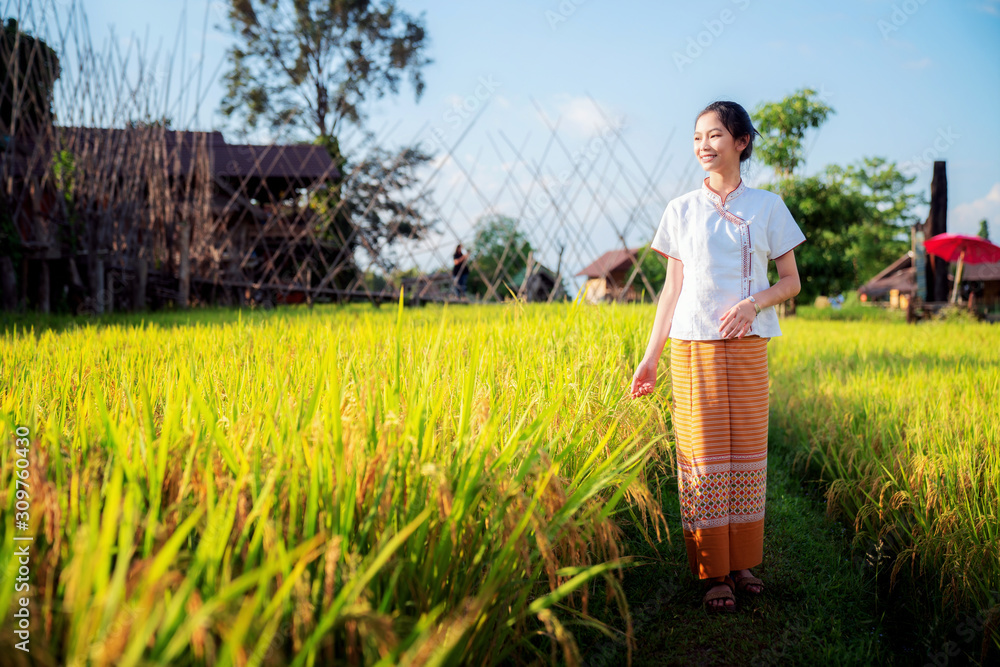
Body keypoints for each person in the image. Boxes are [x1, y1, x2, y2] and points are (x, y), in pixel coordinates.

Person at [629, 100, 805, 614]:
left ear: (741, 142)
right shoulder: (680, 209)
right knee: (703, 456)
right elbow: (671, 290)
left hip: (749, 345)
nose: (703, 146)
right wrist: (649, 357)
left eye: (714, 136)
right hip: (693, 346)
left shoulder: (768, 206)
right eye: (697, 138)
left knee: (747, 452)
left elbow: (791, 281)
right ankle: (712, 571)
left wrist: (755, 303)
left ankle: (743, 560)